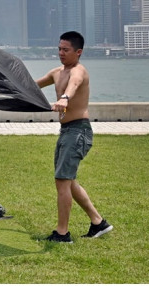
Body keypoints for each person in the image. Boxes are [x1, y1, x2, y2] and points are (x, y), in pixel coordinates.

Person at [35, 31, 112, 243]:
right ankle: (99, 223)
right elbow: (33, 86)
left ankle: (62, 234)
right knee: (68, 181)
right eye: (59, 49)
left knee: (62, 181)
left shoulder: (79, 71)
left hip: (79, 131)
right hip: (67, 131)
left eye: (65, 50)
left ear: (78, 52)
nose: (61, 53)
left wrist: (65, 99)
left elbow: (73, 85)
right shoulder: (56, 72)